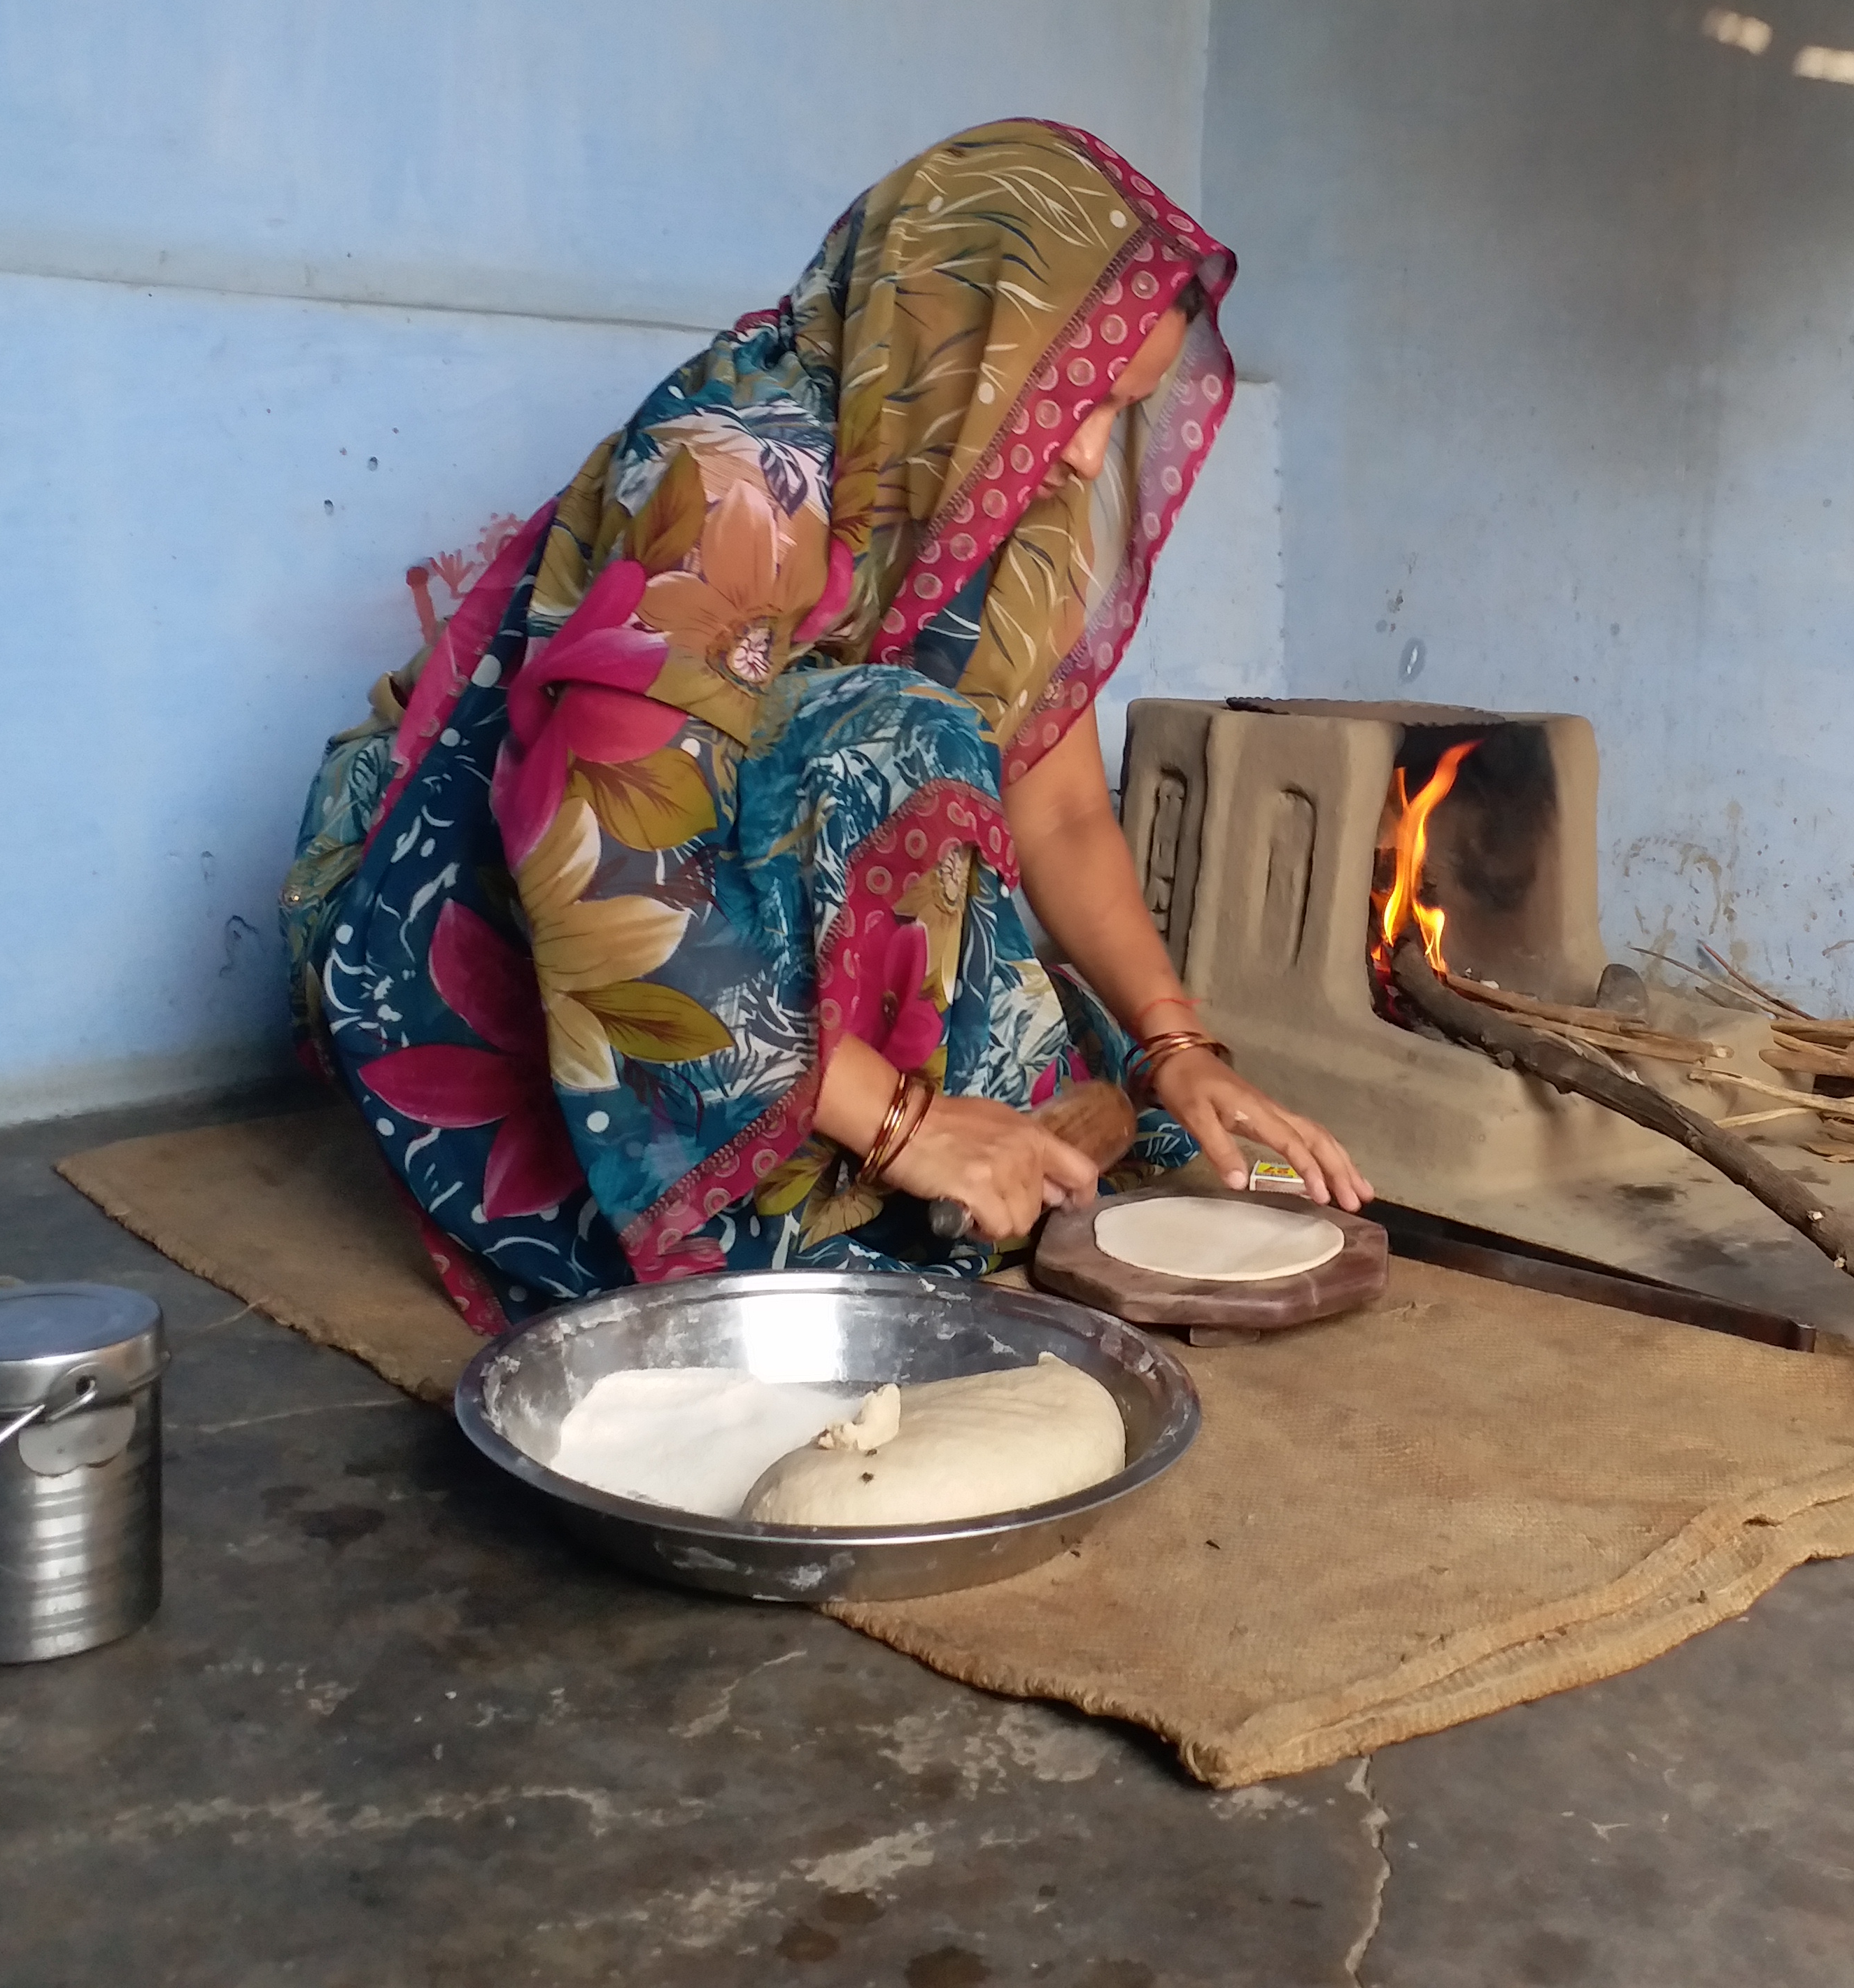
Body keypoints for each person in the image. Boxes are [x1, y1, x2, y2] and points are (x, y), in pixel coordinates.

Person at [281, 119, 1364, 1331]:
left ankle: (853, 1131)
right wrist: (901, 1123)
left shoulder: (1006, 506)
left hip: (730, 876)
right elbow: (599, 846)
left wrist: (1180, 1048)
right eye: (1076, 400)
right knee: (892, 735)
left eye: (1123, 410)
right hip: (501, 886)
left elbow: (1055, 808)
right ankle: (780, 1187)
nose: (1087, 456)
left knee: (1061, 1070)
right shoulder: (737, 478)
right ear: (965, 339)